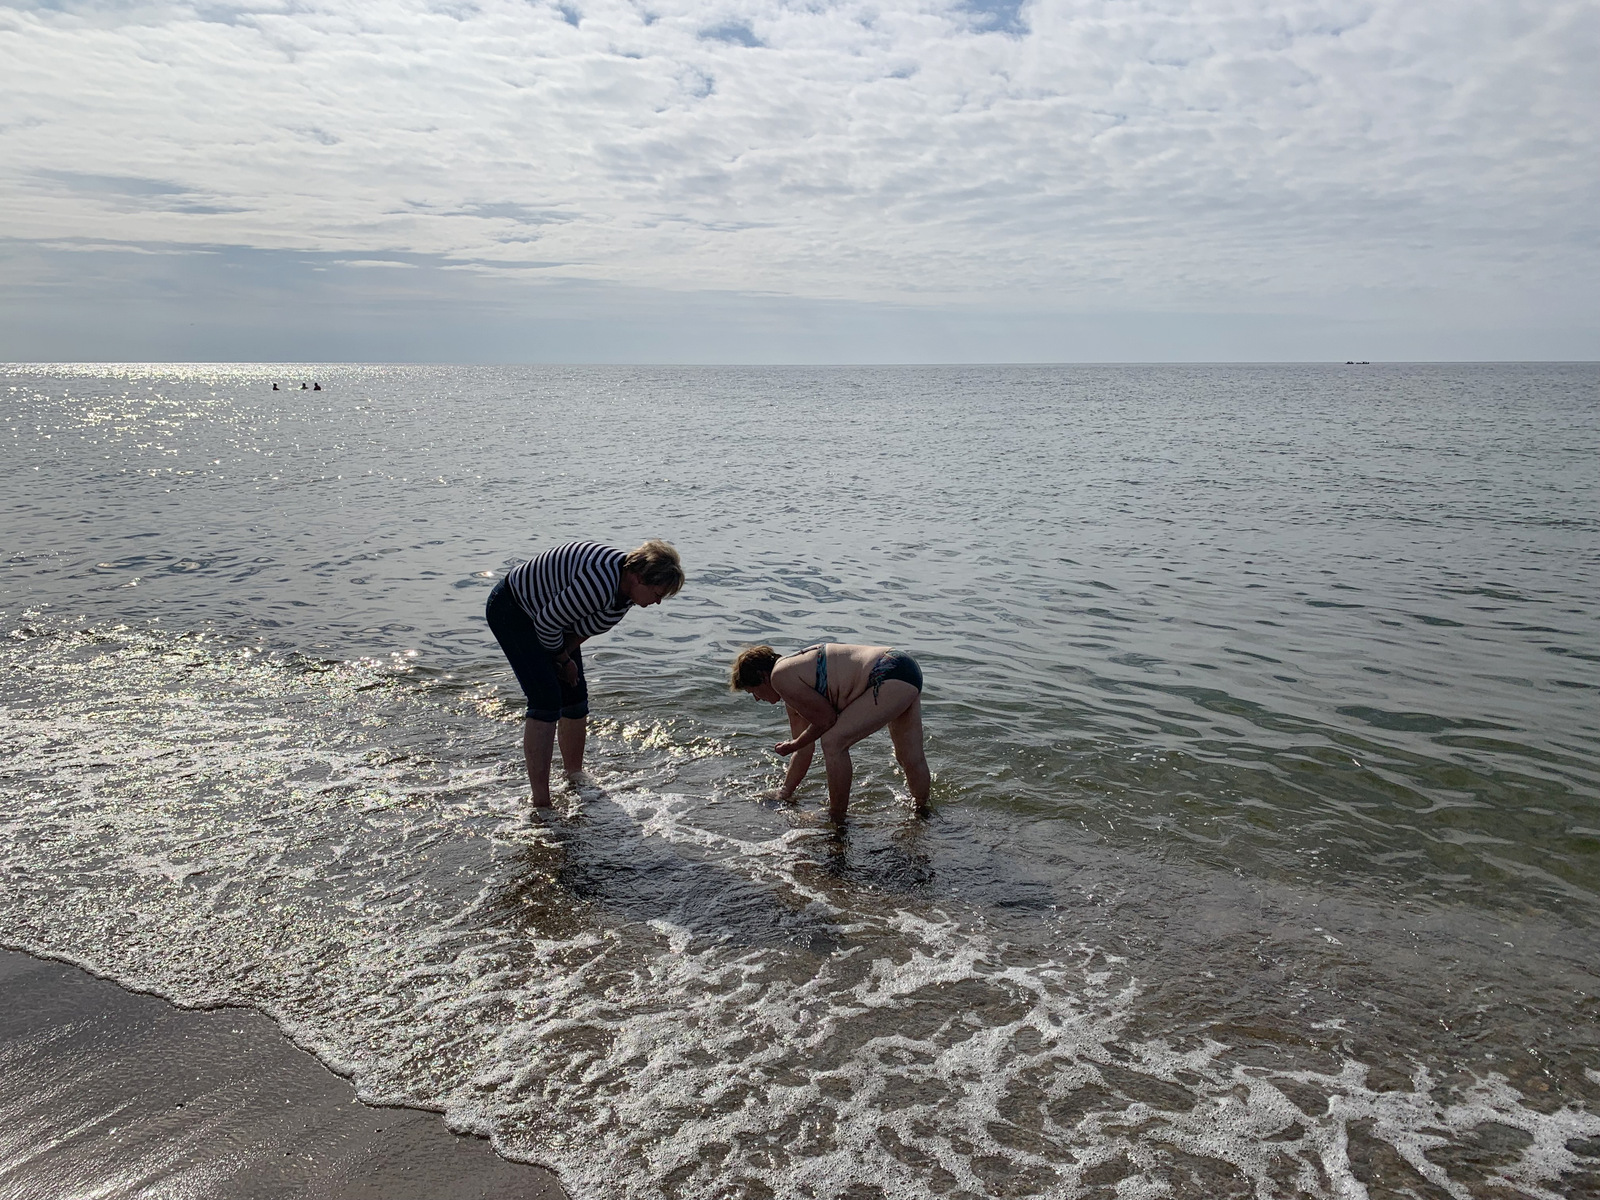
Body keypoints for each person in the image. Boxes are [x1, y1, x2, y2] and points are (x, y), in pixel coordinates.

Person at [487, 539, 684, 807]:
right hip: (514, 609)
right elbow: (547, 624)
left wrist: (565, 659)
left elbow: (581, 630)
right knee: (545, 700)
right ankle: (541, 803)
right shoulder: (599, 583)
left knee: (575, 695)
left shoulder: (626, 596)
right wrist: (560, 660)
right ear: (638, 578)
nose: (659, 602)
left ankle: (575, 778)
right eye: (658, 593)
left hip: (553, 621)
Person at [729, 642, 930, 822]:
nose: (756, 698)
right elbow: (804, 749)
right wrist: (785, 792)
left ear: (762, 677)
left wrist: (794, 744)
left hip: (885, 673)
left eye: (752, 691)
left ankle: (837, 817)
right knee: (909, 755)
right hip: (904, 666)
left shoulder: (779, 676)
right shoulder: (793, 680)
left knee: (833, 742)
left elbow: (826, 720)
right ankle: (921, 814)